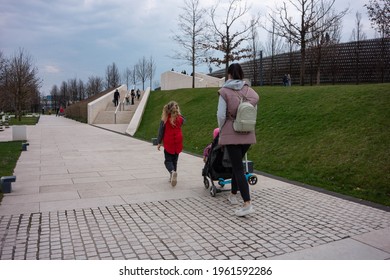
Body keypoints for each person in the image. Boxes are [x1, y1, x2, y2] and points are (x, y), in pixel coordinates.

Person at [217, 63, 259, 217]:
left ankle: (247, 203)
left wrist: (222, 129)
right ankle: (233, 195)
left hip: (232, 132)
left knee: (238, 168)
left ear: (229, 75)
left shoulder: (224, 91)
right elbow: (254, 111)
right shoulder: (250, 91)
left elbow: (221, 115)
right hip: (248, 133)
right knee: (237, 165)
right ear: (241, 74)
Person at [157, 101, 185, 187]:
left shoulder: (165, 120)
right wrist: (179, 114)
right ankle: (173, 175)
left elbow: (161, 132)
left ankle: (172, 172)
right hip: (178, 141)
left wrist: (159, 142)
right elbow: (184, 121)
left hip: (169, 142)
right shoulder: (180, 118)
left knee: (168, 161)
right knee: (175, 160)